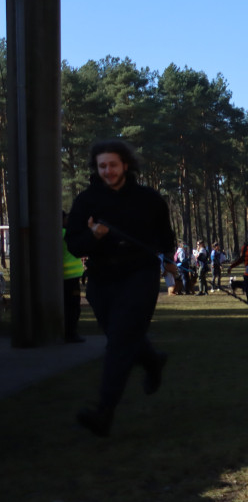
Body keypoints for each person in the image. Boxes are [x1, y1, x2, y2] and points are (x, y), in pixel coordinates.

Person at [65, 139, 177, 436]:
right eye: (102, 165)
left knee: (119, 342)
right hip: (101, 280)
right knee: (121, 336)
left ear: (125, 165)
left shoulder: (149, 198)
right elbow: (74, 246)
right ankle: (152, 360)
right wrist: (94, 235)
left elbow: (166, 236)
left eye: (113, 164)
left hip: (139, 276)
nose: (108, 170)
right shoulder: (86, 201)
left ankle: (104, 412)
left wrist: (169, 260)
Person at [61, 211, 86, 343]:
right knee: (73, 306)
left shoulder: (55, 234)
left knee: (66, 306)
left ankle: (66, 331)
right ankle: (71, 333)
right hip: (71, 276)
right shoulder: (66, 234)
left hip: (62, 276)